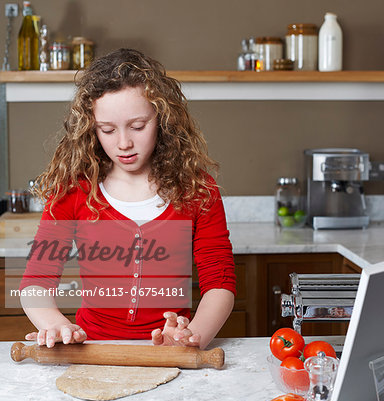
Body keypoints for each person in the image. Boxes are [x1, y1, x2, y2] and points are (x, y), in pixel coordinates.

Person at [20, 48, 236, 350]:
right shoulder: (73, 190)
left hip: (169, 352)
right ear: (91, 128)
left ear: (162, 119)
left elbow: (220, 282)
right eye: (107, 130)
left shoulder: (197, 190)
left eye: (137, 126)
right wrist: (54, 323)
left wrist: (191, 338)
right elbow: (35, 282)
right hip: (92, 351)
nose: (124, 143)